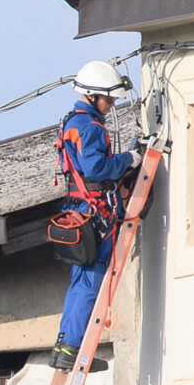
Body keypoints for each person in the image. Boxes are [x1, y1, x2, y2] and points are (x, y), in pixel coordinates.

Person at [48, 60, 138, 369]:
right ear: (91, 95)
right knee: (91, 280)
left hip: (77, 212)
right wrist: (129, 158)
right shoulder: (88, 126)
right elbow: (96, 169)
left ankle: (64, 346)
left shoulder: (72, 121)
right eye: (109, 98)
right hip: (94, 214)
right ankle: (73, 348)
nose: (112, 104)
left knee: (79, 282)